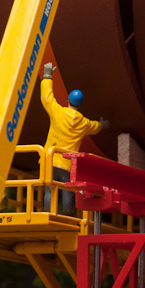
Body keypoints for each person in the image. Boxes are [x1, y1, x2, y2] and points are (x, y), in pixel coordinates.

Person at [40, 63, 109, 214]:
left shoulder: (58, 113)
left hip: (49, 159)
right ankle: (68, 214)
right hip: (67, 163)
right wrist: (102, 125)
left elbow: (47, 98)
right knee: (67, 189)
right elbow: (94, 127)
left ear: (68, 100)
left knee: (49, 189)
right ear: (80, 104)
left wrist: (47, 76)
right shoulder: (83, 123)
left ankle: (47, 213)